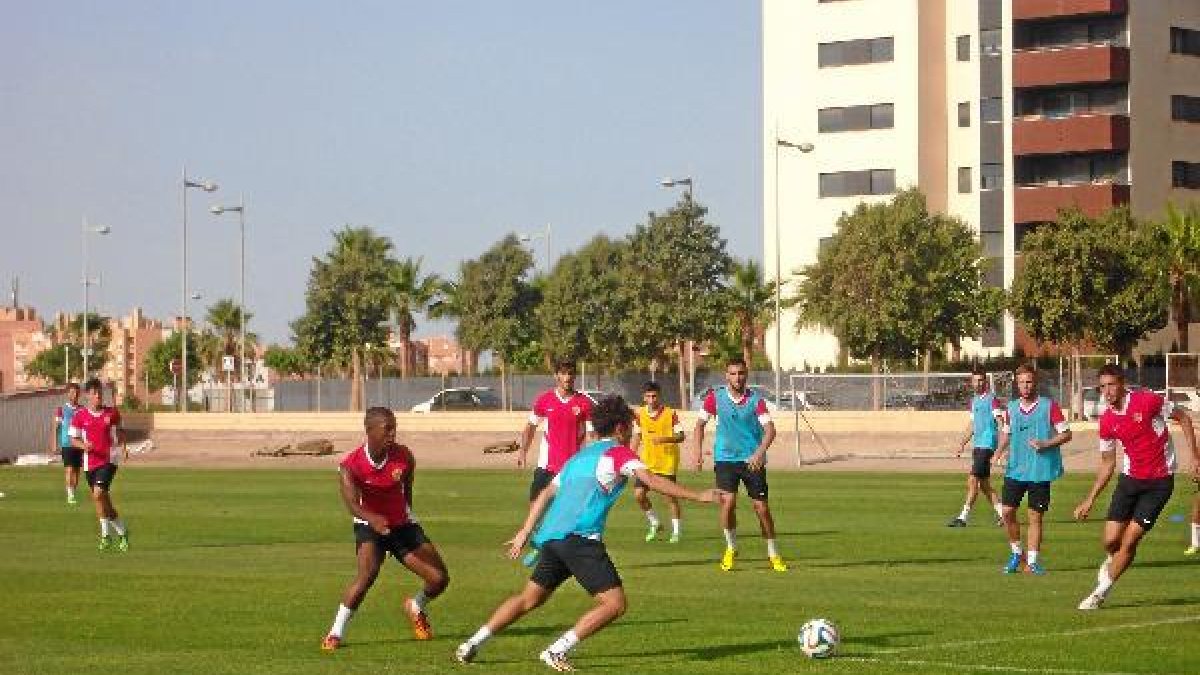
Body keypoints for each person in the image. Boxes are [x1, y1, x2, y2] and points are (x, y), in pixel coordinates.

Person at [455, 395, 718, 671]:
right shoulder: (618, 453)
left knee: (528, 599)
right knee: (615, 604)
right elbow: (650, 480)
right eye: (630, 427)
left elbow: (546, 493)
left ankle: (472, 643)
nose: (632, 433)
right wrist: (700, 495)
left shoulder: (578, 458)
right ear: (620, 428)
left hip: (553, 539)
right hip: (580, 539)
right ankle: (556, 650)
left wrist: (525, 530)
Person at [321, 407, 450, 651]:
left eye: (394, 428)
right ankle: (335, 633)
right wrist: (374, 519)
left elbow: (407, 488)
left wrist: (405, 516)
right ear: (369, 430)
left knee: (439, 579)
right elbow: (352, 504)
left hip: (402, 525)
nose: (392, 434)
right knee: (366, 576)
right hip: (369, 526)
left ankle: (416, 606)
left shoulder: (404, 456)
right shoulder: (351, 465)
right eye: (387, 429)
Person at [1073, 365, 1200, 610]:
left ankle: (1099, 594)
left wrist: (1194, 457)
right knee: (1110, 541)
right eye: (1102, 387)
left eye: (1111, 385)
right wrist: (1090, 499)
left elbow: (1183, 417)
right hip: (1129, 481)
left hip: (1159, 483)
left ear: (1122, 383)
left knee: (1130, 540)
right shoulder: (1107, 421)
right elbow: (1107, 463)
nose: (1107, 391)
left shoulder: (1147, 401)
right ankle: (1113, 560)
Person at [692, 358, 787, 572]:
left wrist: (759, 453)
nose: (737, 378)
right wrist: (697, 451)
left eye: (741, 373)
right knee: (727, 503)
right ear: (726, 376)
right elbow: (699, 426)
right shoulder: (714, 398)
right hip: (725, 459)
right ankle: (731, 547)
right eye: (733, 374)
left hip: (752, 461)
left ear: (746, 375)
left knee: (761, 508)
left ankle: (773, 553)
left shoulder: (756, 401)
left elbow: (770, 430)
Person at [994, 364, 1071, 575]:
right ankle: (1016, 553)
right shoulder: (1011, 408)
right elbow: (1007, 433)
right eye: (1021, 382)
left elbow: (1066, 434)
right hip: (1015, 469)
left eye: (1029, 381)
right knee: (1007, 512)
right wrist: (998, 452)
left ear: (1035, 382)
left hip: (1040, 470)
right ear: (1016, 384)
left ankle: (1033, 561)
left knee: (1035, 517)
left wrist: (1046, 444)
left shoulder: (1049, 406)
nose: (1025, 386)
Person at [518, 360, 593, 501]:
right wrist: (523, 452)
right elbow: (531, 427)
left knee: (570, 511)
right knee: (535, 507)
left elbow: (593, 435)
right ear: (556, 375)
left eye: (570, 373)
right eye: (563, 373)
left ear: (575, 376)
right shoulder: (545, 400)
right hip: (546, 467)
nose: (567, 377)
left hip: (573, 468)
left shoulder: (584, 402)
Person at [68, 379, 129, 551]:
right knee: (103, 502)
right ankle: (122, 532)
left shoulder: (112, 413)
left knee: (98, 494)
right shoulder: (80, 416)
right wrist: (83, 446)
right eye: (94, 393)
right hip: (90, 463)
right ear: (87, 395)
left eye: (99, 393)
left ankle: (105, 536)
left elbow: (120, 431)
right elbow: (73, 439)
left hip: (109, 460)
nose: (98, 396)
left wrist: (124, 448)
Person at [947, 368, 1006, 527]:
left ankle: (963, 517)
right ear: (971, 382)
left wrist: (1002, 448)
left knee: (973, 480)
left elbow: (1001, 422)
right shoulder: (974, 401)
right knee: (985, 486)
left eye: (981, 380)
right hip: (978, 446)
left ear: (985, 382)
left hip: (987, 446)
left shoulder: (992, 400)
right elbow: (973, 425)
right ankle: (1004, 515)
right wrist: (962, 443)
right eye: (975, 380)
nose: (978, 383)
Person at [631, 381, 686, 542]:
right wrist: (631, 455)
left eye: (654, 396)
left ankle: (676, 532)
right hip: (647, 463)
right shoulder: (640, 414)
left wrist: (665, 439)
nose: (651, 400)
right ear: (644, 397)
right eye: (648, 396)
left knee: (669, 498)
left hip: (666, 463)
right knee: (639, 494)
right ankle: (654, 523)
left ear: (659, 396)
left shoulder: (670, 414)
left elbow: (681, 436)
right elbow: (637, 436)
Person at [52, 382, 83, 505]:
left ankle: (72, 492)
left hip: (79, 443)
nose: (74, 395)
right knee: (69, 469)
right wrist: (54, 443)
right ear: (68, 394)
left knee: (77, 471)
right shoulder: (61, 410)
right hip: (66, 443)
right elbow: (56, 427)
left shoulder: (82, 410)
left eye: (76, 392)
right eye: (72, 392)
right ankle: (70, 495)